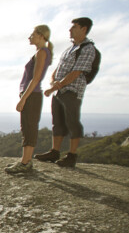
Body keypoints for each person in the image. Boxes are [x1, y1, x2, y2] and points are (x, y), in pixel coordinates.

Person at [35, 17, 95, 167]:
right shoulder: (70, 49)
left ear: (84, 29)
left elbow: (76, 72)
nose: (70, 29)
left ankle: (72, 155)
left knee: (72, 122)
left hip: (71, 91)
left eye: (74, 27)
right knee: (58, 122)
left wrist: (55, 87)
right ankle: (55, 151)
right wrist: (53, 82)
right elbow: (57, 70)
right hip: (59, 91)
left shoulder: (88, 49)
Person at [6, 25, 53, 174]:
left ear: (41, 36)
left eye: (32, 34)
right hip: (31, 94)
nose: (29, 37)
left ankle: (25, 163)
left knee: (29, 128)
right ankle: (25, 160)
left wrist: (23, 99)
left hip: (32, 95)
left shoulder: (41, 53)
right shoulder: (42, 52)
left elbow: (36, 78)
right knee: (27, 127)